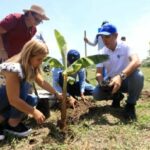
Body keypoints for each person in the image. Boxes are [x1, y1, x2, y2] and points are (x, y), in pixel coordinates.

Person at [0, 39, 62, 140]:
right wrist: (34, 112)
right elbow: (13, 99)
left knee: (32, 99)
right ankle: (11, 123)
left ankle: (8, 122)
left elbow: (42, 82)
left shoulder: (30, 67)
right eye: (39, 59)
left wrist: (56, 93)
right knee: (24, 86)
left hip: (4, 101)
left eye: (42, 59)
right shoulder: (13, 68)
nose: (41, 62)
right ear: (29, 55)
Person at [92, 23, 144, 120]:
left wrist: (120, 76)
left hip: (127, 80)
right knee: (96, 94)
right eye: (102, 37)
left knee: (138, 76)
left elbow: (137, 61)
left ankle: (130, 104)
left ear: (116, 36)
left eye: (107, 36)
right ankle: (117, 96)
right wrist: (101, 82)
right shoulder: (101, 52)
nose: (104, 40)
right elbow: (99, 72)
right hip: (111, 82)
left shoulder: (126, 46)